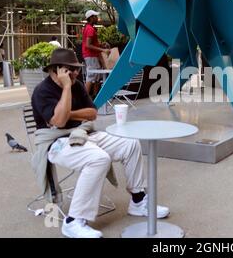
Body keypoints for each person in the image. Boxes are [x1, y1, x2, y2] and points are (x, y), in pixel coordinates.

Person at [31, 48, 169, 238]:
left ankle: (138, 201)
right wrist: (66, 88)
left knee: (130, 144)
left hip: (82, 133)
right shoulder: (42, 91)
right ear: (56, 70)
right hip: (56, 143)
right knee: (99, 159)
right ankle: (73, 221)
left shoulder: (78, 85)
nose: (76, 73)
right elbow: (60, 123)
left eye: (77, 68)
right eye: (70, 69)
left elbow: (92, 113)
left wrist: (68, 112)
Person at [81, 10, 111, 94]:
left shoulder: (89, 28)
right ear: (91, 18)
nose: (97, 18)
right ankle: (85, 99)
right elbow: (88, 45)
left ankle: (95, 98)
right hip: (91, 56)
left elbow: (91, 44)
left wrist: (101, 45)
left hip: (92, 55)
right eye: (95, 16)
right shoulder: (90, 29)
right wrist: (103, 50)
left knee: (97, 77)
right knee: (91, 76)